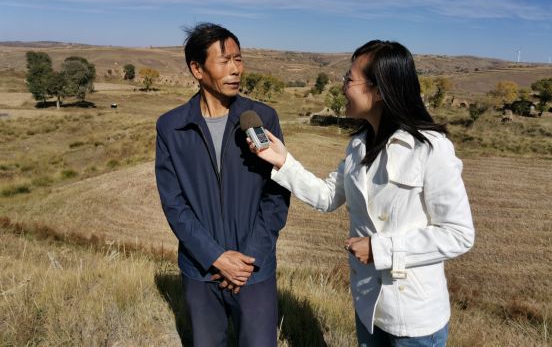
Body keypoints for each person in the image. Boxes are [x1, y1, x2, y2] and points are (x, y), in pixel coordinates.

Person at [248, 40, 475, 346]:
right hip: (369, 307)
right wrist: (283, 161)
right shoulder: (358, 145)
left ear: (379, 90)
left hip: (415, 319)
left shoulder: (430, 149)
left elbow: (458, 234)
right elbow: (328, 196)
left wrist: (381, 250)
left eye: (349, 79)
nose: (342, 87)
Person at [155, 23, 290, 346]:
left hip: (253, 269)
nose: (235, 70)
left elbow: (276, 195)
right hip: (201, 270)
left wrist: (249, 258)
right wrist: (215, 256)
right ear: (197, 69)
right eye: (225, 61)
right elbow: (174, 204)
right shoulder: (172, 127)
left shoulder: (261, 118)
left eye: (239, 59)